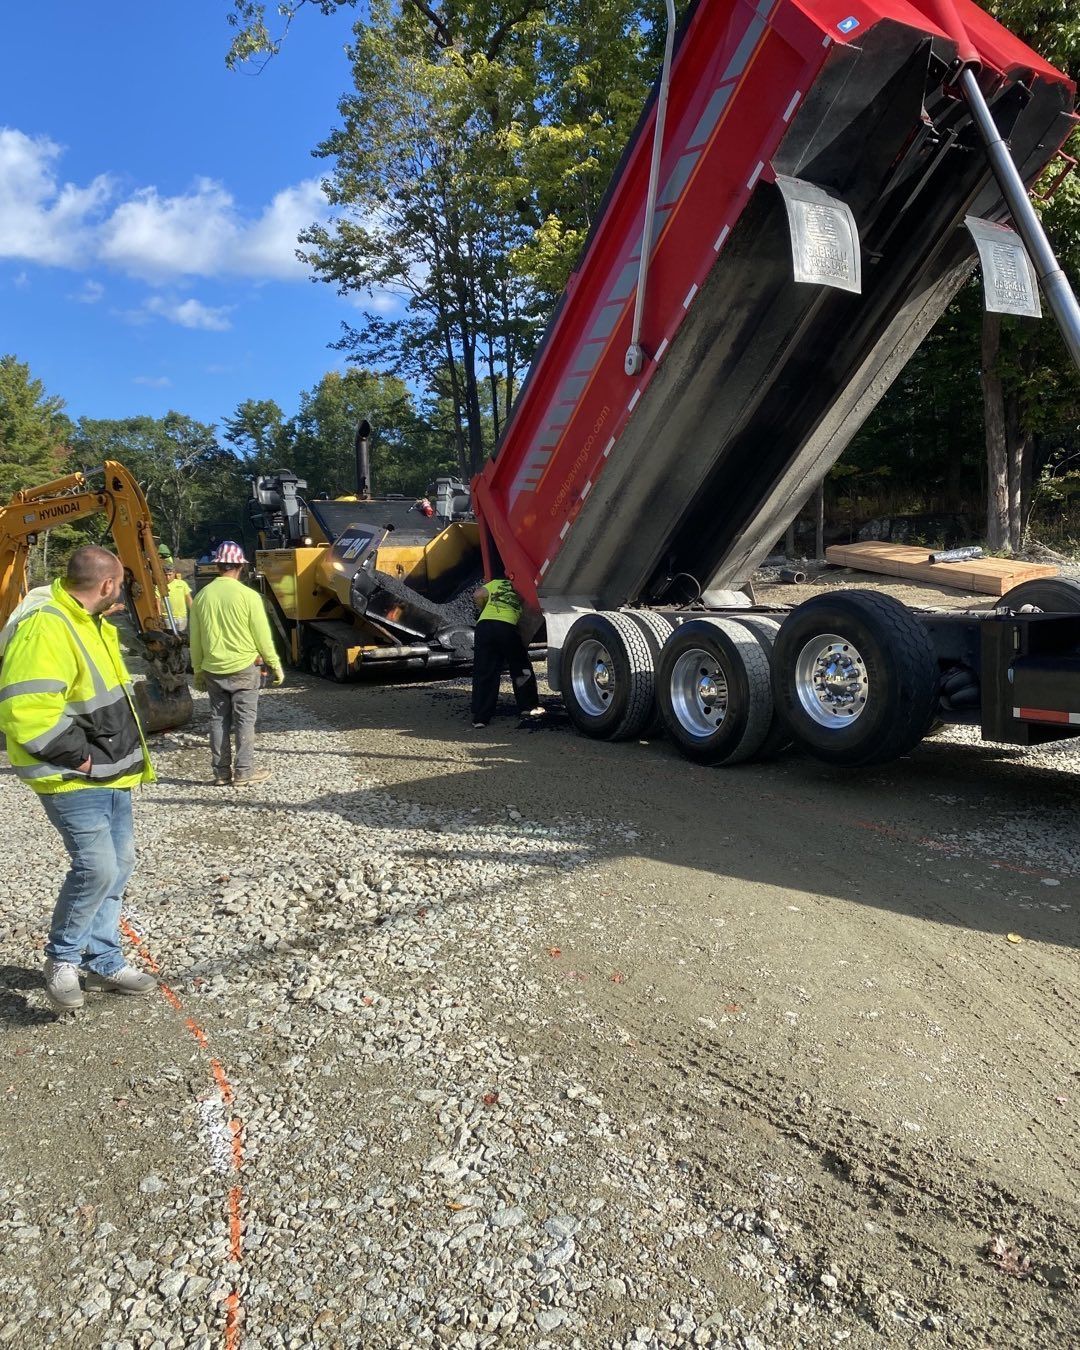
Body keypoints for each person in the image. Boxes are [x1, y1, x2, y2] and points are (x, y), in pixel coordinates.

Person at [0, 546, 157, 1013]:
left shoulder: (89, 621)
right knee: (97, 868)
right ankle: (63, 959)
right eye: (121, 583)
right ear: (107, 585)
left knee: (120, 863)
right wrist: (82, 757)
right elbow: (24, 709)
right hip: (73, 774)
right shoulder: (48, 624)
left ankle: (103, 961)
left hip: (110, 770)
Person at [188, 540, 283, 787]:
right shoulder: (249, 596)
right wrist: (275, 664)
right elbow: (263, 636)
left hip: (213, 670)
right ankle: (244, 772)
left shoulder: (201, 597)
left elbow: (195, 639)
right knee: (245, 721)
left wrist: (198, 670)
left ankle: (220, 773)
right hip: (244, 668)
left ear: (218, 565)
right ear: (240, 567)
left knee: (218, 719)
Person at [470, 572, 545, 728]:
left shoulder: (496, 583)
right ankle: (528, 707)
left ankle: (480, 718)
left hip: (484, 627)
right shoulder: (523, 587)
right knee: (520, 665)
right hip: (506, 627)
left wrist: (483, 609)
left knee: (485, 670)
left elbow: (478, 594)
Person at [162, 565, 193, 633]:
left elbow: (189, 599)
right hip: (168, 618)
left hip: (181, 617)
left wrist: (193, 612)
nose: (168, 577)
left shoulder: (182, 584)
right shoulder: (161, 586)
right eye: (166, 575)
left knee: (182, 637)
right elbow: (158, 601)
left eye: (170, 575)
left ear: (174, 573)